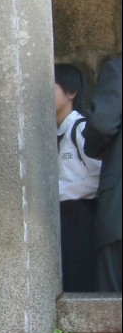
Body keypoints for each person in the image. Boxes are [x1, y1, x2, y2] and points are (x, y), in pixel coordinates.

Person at [54, 63, 101, 292]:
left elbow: (98, 177)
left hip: (81, 215)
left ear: (71, 93)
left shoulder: (80, 129)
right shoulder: (55, 133)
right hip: (63, 216)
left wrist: (60, 192)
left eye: (51, 90)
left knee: (79, 277)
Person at [83, 57, 122, 293]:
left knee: (113, 310)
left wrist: (95, 149)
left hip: (119, 210)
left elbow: (102, 123)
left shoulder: (118, 69)